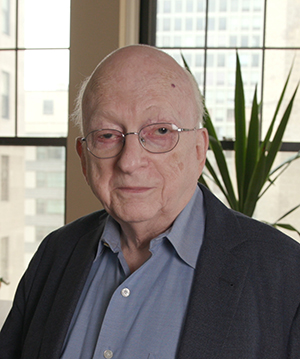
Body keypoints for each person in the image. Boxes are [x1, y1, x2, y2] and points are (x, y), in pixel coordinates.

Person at [0, 45, 300, 359]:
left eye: (159, 131)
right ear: (83, 158)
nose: (129, 161)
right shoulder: (55, 253)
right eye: (107, 135)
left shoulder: (286, 276)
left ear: (199, 150)